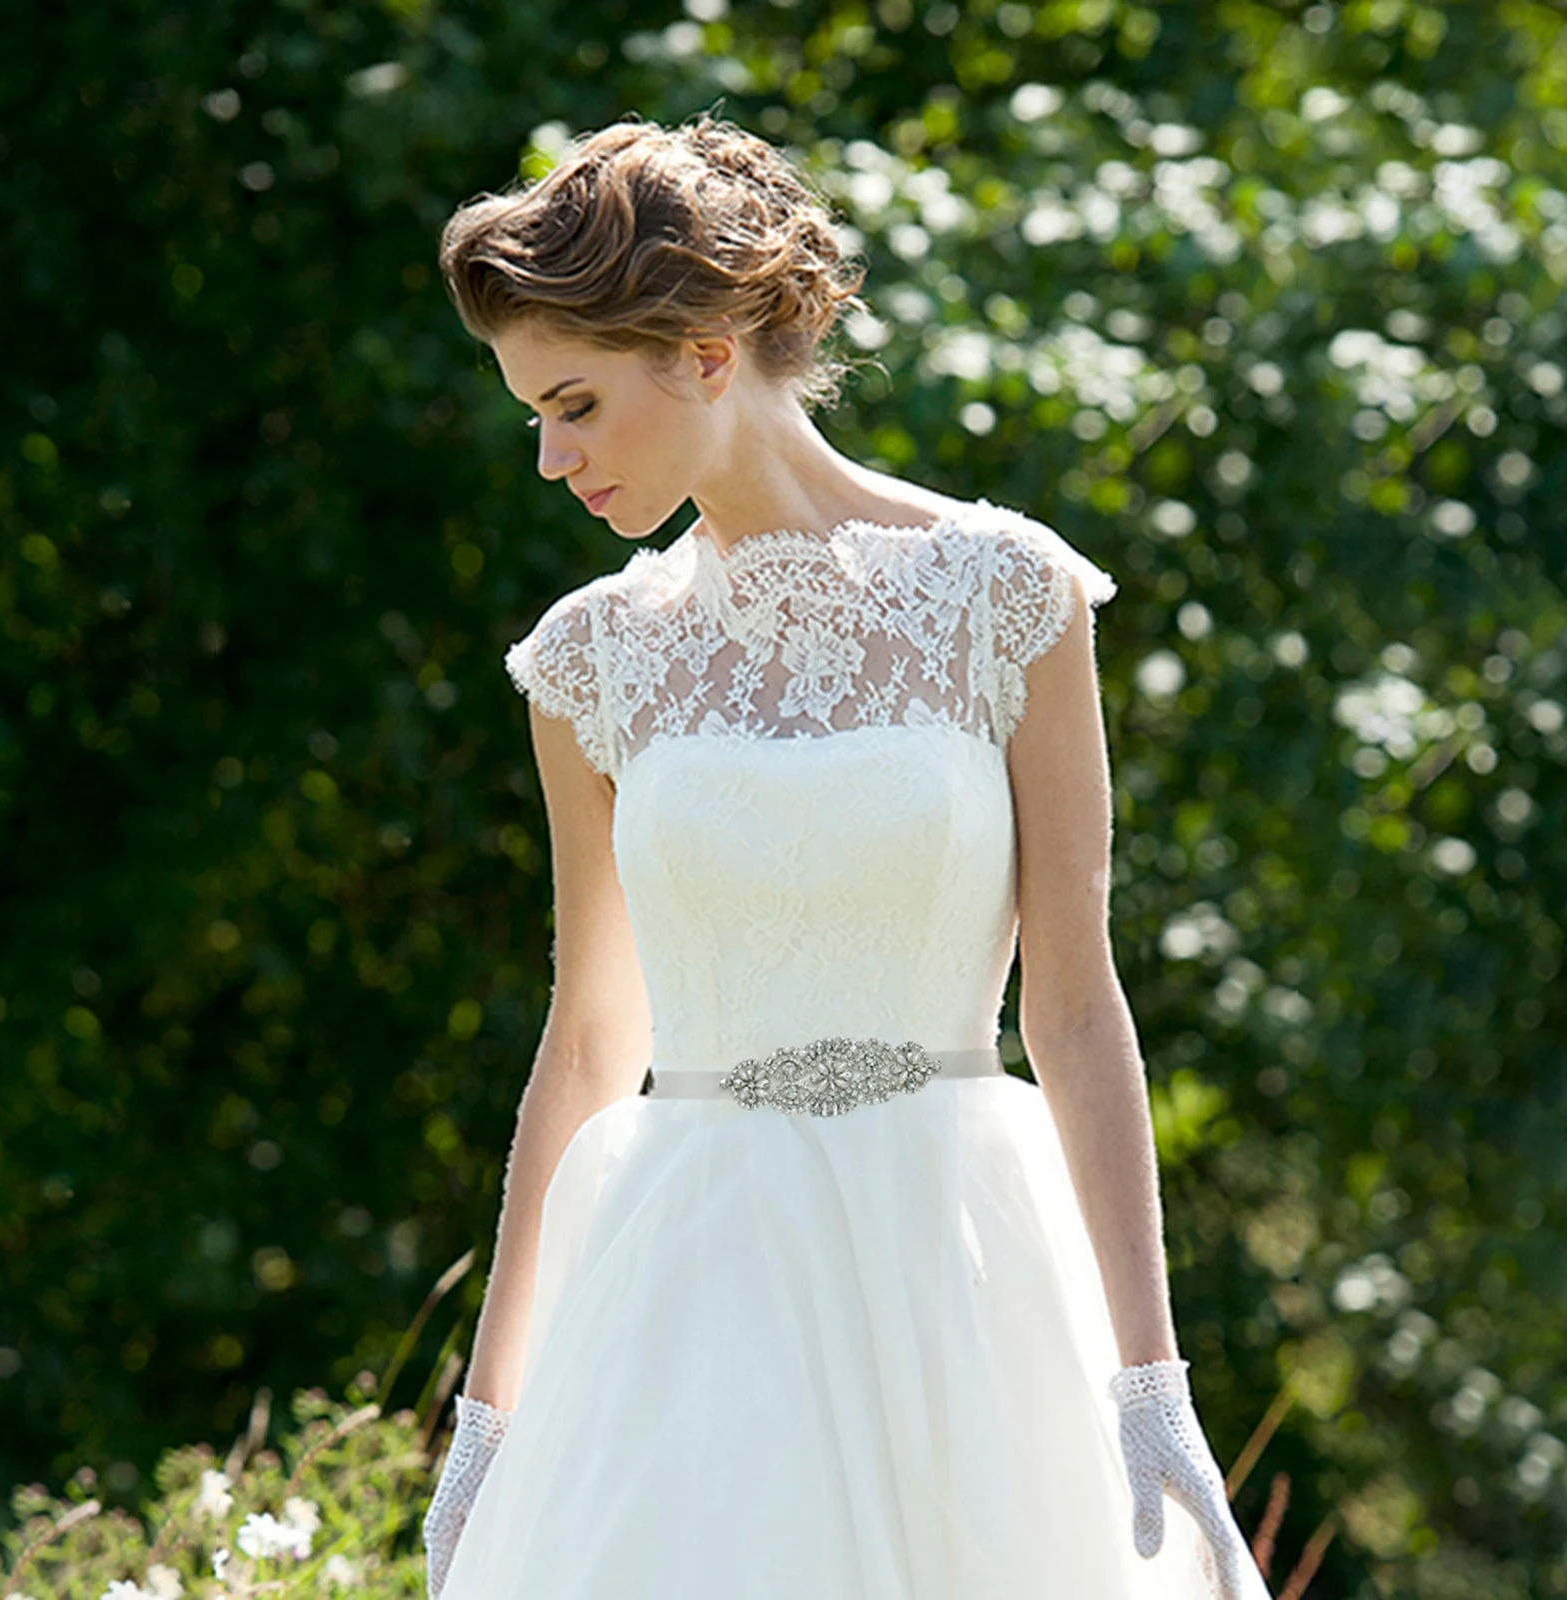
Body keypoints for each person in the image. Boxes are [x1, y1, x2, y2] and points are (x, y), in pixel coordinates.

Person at [423, 112, 1274, 1600]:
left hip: (961, 1272)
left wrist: (1149, 1376)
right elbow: (587, 1041)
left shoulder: (1008, 594)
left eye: (573, 405)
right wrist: (488, 1418)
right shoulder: (592, 660)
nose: (551, 461)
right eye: (531, 420)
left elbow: (1074, 1008)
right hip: (687, 1300)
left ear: (701, 353)